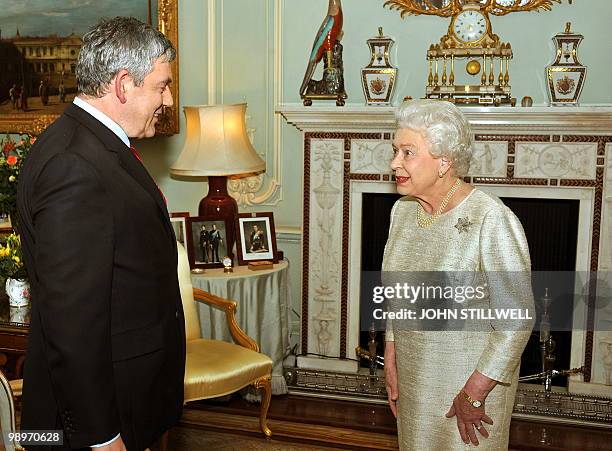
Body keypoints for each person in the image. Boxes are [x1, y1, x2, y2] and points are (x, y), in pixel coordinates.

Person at [16, 17, 184, 451]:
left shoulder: (90, 145)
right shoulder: (75, 165)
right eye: (162, 86)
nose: (167, 100)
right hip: (94, 423)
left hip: (123, 400)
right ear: (124, 84)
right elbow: (73, 323)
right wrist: (102, 436)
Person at [382, 99, 534, 450]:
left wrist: (475, 393)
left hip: (470, 386)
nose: (394, 163)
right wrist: (391, 359)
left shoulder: (490, 219)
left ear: (443, 162)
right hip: (415, 379)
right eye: (395, 151)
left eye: (407, 152)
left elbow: (516, 319)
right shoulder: (401, 213)